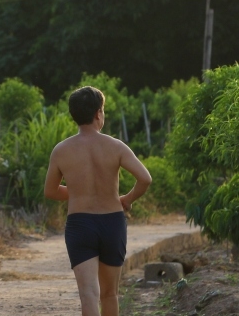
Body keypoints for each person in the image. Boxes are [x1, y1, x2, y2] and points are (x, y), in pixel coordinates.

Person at [44, 86, 151, 316]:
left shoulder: (61, 150)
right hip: (112, 222)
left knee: (88, 295)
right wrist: (127, 199)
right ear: (98, 114)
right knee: (109, 293)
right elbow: (145, 179)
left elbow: (51, 191)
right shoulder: (115, 146)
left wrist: (79, 191)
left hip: (80, 225)